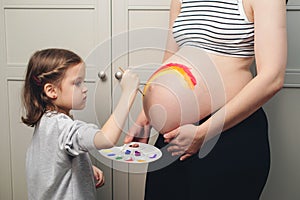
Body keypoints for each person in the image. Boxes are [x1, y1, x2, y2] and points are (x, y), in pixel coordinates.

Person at [124, 0, 288, 199]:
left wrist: (203, 133)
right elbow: (171, 58)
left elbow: (272, 78)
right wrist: (148, 115)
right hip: (173, 136)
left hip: (228, 131)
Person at [21, 48, 139, 200]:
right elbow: (105, 138)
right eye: (77, 83)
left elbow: (51, 166)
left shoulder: (45, 122)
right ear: (51, 91)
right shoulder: (63, 126)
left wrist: (82, 168)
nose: (84, 89)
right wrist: (128, 93)